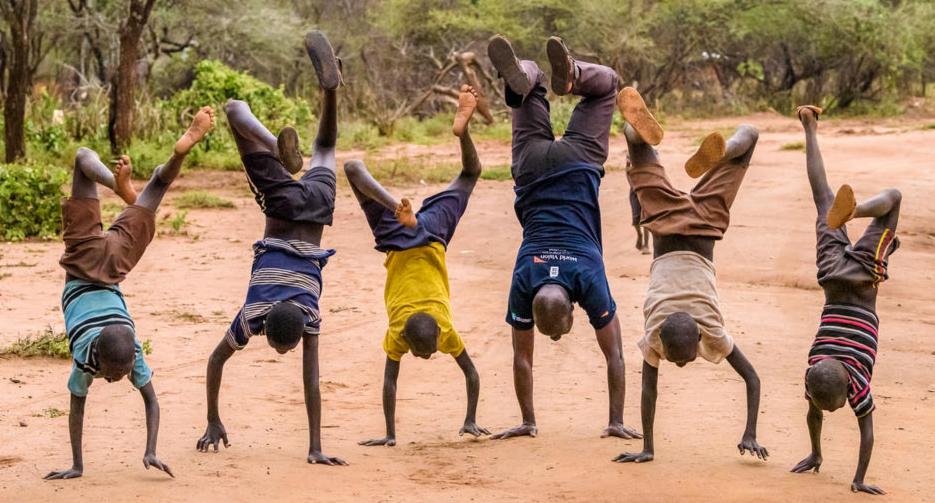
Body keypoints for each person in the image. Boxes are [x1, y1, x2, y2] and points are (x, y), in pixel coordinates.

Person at [196, 31, 346, 467]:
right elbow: (215, 361)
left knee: (326, 148)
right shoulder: (252, 315)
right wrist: (213, 417)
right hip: (281, 207)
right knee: (232, 110)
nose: (286, 353)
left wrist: (212, 420)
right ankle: (281, 156)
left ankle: (330, 94)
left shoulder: (310, 313)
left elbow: (311, 379)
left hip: (316, 212)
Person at [44, 106, 215, 480]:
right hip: (86, 260)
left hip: (110, 265)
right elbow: (149, 402)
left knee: (155, 190)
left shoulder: (116, 351)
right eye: (114, 376)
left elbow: (81, 407)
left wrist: (80, 465)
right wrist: (148, 449)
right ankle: (127, 183)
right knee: (82, 160)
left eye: (113, 377)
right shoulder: (97, 356)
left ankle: (163, 162)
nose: (110, 380)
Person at [486, 34, 640, 441]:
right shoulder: (523, 279)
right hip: (531, 169)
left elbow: (616, 356)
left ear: (574, 312)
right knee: (528, 89)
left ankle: (573, 76)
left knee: (607, 85)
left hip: (578, 165)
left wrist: (530, 422)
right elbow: (523, 358)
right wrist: (614, 423)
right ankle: (532, 75)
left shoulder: (589, 279)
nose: (555, 337)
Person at [612, 87, 768, 463]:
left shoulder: (701, 330)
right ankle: (637, 140)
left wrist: (649, 448)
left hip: (704, 226)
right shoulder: (659, 332)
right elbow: (750, 378)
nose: (679, 364)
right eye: (682, 359)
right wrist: (748, 431)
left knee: (752, 137)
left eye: (677, 360)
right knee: (642, 167)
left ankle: (726, 148)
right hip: (664, 226)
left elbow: (751, 379)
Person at [351, 86, 491, 447]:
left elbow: (390, 382)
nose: (426, 358)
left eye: (422, 354)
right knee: (352, 170)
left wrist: (390, 435)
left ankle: (400, 206)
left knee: (472, 172)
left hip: (430, 235)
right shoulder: (416, 330)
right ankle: (397, 207)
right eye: (427, 354)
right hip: (404, 236)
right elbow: (470, 374)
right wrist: (470, 420)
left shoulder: (429, 331)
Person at [790, 105, 899, 495]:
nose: (834, 411)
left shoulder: (852, 384)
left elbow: (863, 431)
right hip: (833, 280)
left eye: (834, 406)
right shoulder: (816, 369)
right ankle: (810, 127)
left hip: (865, 283)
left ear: (846, 392)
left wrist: (858, 479)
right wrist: (820, 455)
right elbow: (815, 411)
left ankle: (860, 210)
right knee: (822, 199)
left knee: (895, 201)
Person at [628, 157, 650, 254]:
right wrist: (633, 186)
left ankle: (646, 245)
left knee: (645, 218)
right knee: (636, 218)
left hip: (646, 190)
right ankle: (639, 235)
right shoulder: (631, 153)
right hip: (635, 190)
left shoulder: (652, 153)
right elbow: (627, 171)